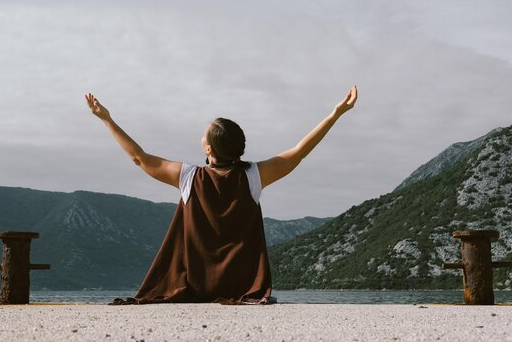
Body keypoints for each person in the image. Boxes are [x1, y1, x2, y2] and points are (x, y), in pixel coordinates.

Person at [85, 86, 358, 304]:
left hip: (193, 285)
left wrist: (107, 120)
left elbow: (139, 158)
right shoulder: (253, 176)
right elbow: (298, 153)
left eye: (203, 136)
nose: (201, 138)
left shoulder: (189, 177)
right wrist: (335, 115)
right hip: (240, 287)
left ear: (208, 150)